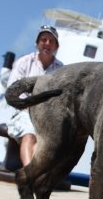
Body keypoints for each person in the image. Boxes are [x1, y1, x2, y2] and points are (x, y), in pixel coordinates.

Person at [6, 25, 64, 166]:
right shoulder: (23, 63)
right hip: (23, 112)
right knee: (30, 133)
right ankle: (29, 173)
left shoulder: (61, 69)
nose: (47, 44)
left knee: (51, 138)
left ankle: (36, 173)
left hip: (46, 115)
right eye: (44, 39)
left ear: (56, 46)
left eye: (51, 41)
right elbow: (12, 91)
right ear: (37, 43)